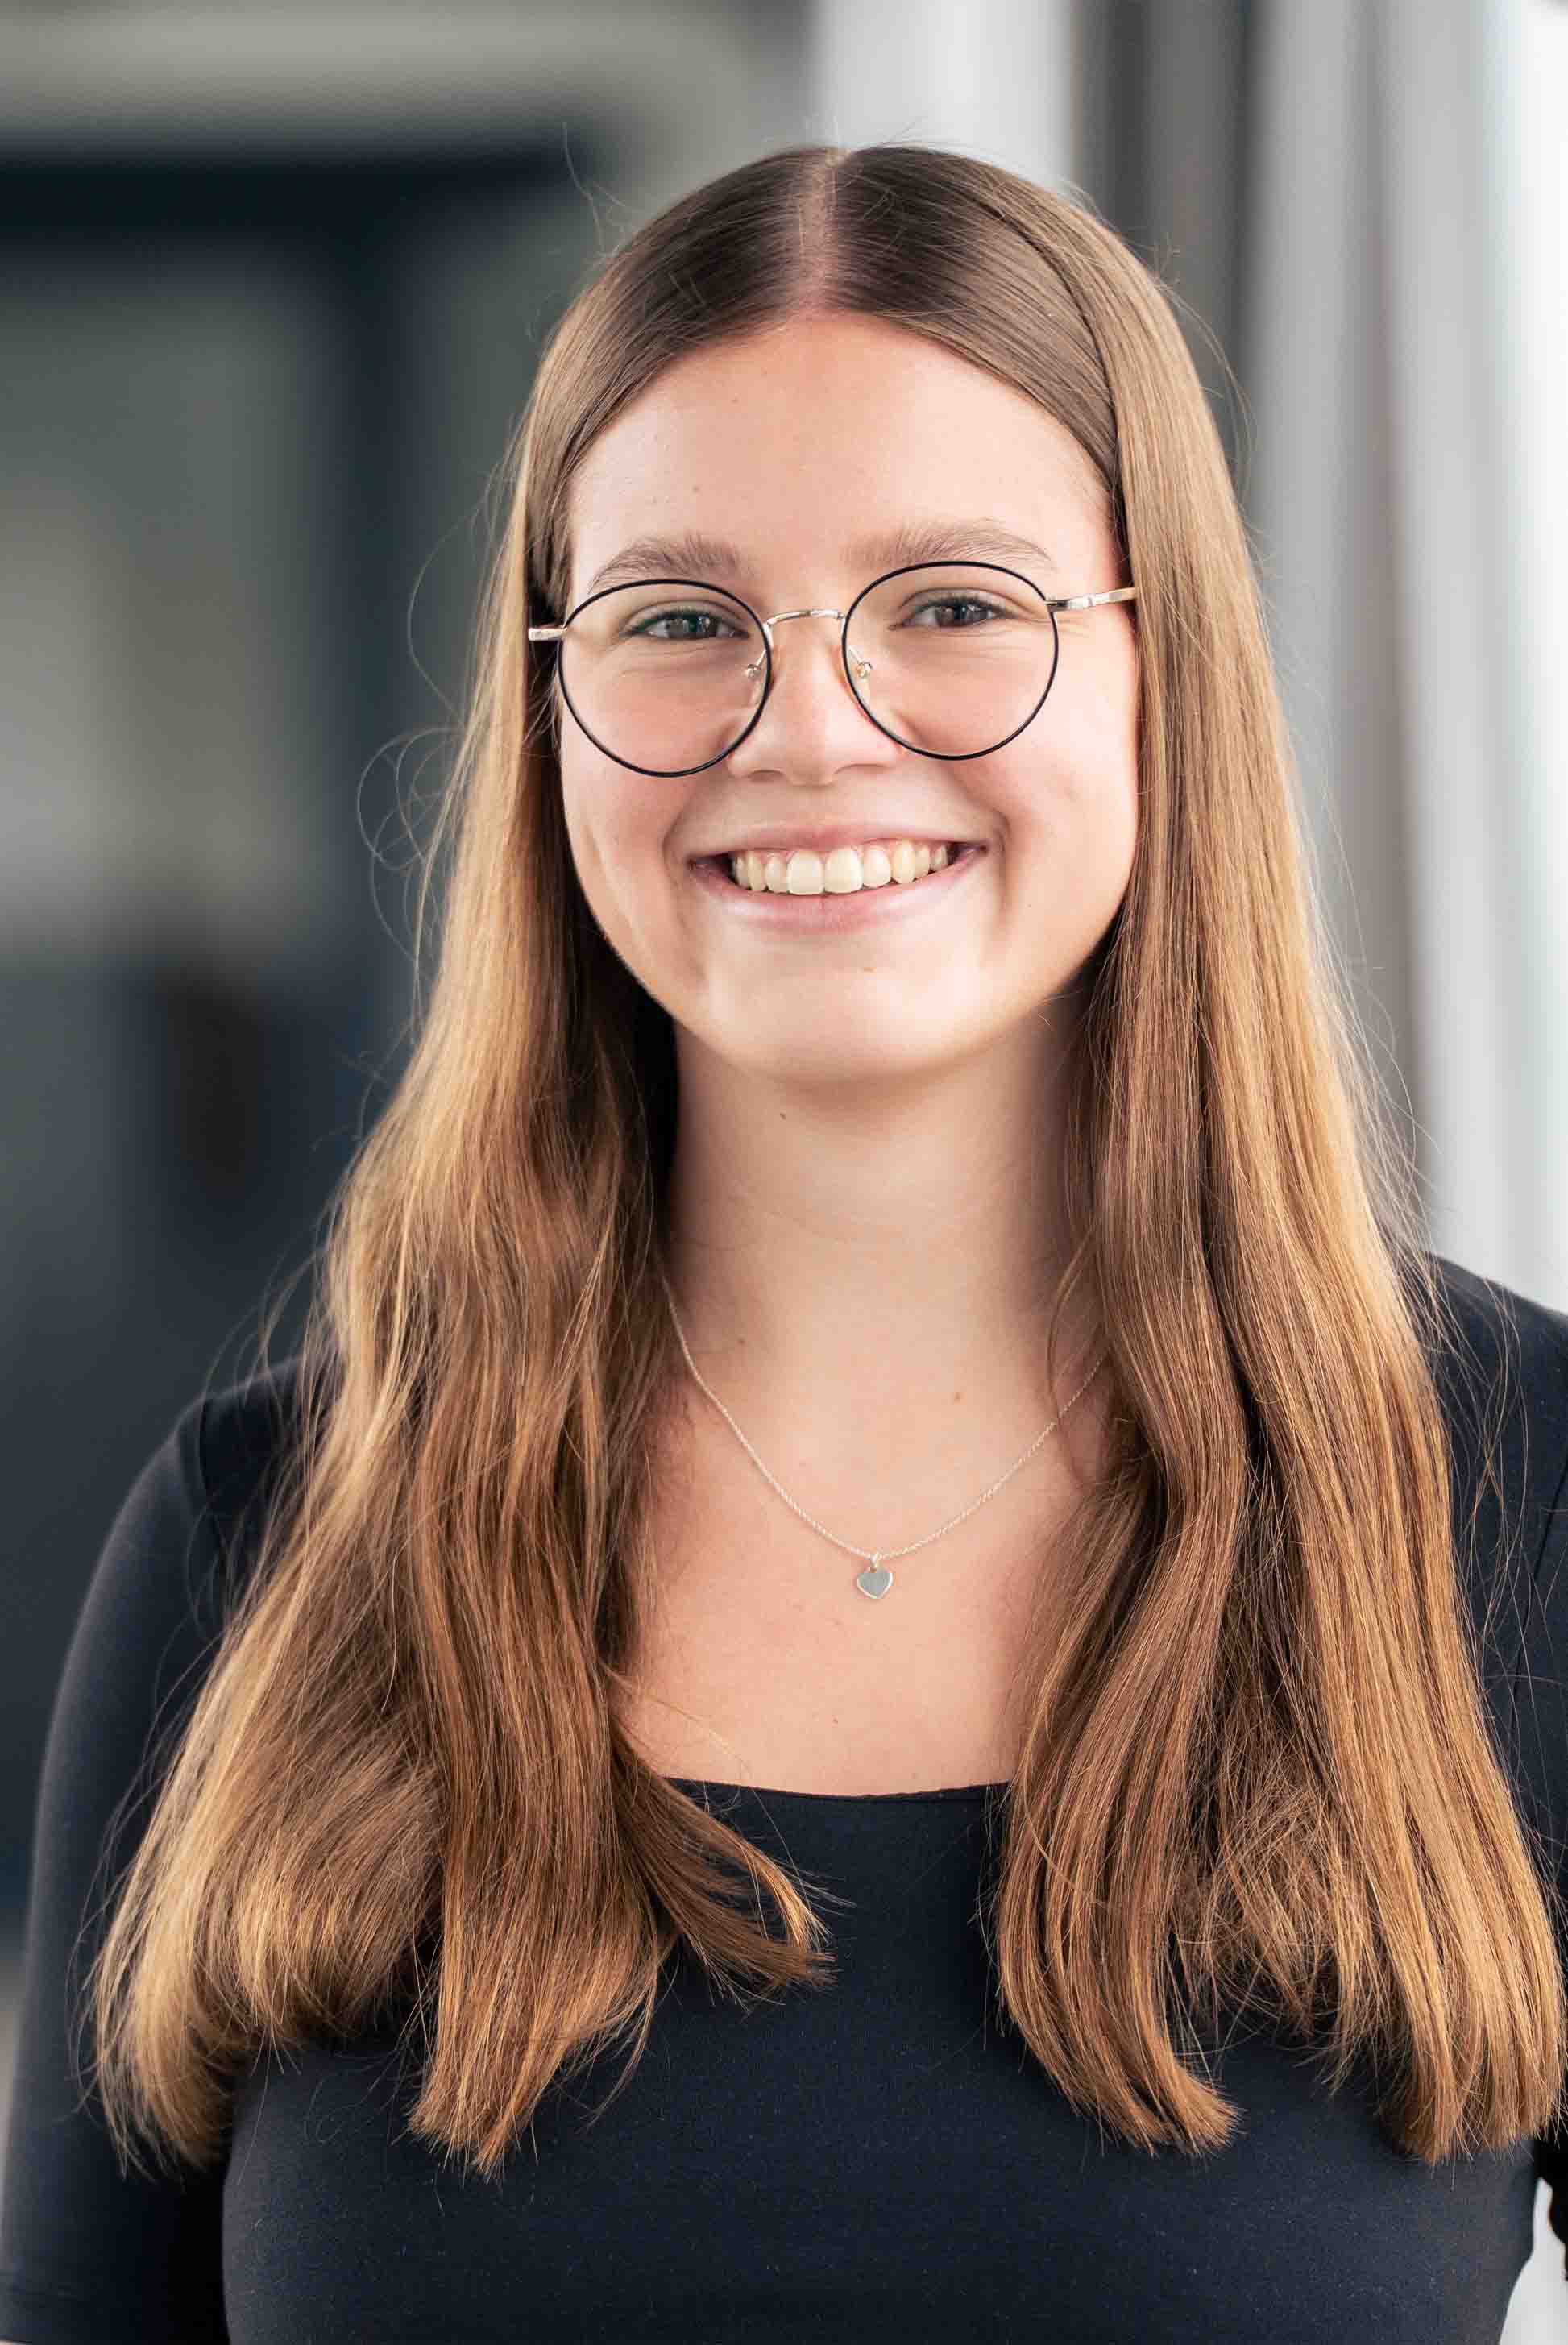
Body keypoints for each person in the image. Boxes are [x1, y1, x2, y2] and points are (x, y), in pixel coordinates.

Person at [2, 140, 1568, 2345]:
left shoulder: (1519, 1491)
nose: (808, 729)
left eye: (950, 605)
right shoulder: (271, 1541)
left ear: (1159, 672)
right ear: (550, 697)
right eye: (676, 621)